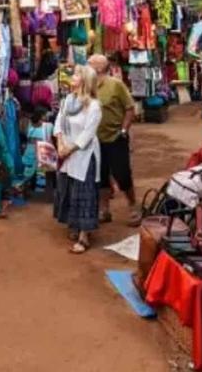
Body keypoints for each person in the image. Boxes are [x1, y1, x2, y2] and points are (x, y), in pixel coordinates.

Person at [54, 65, 103, 254]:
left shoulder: (94, 106)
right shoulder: (68, 100)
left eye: (76, 74)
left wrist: (69, 149)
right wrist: (60, 144)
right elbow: (59, 121)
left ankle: (84, 236)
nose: (72, 77)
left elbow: (88, 134)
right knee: (69, 188)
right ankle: (73, 225)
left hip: (84, 154)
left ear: (85, 80)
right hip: (67, 152)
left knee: (84, 192)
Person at [88, 54, 139, 226]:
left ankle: (133, 206)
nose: (87, 66)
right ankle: (104, 209)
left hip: (116, 136)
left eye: (90, 64)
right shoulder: (88, 86)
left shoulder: (115, 85)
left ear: (100, 68)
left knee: (122, 173)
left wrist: (124, 129)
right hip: (95, 139)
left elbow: (130, 108)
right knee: (100, 175)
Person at [21, 106, 54, 193]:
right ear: (41, 116)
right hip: (40, 153)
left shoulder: (29, 124)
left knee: (29, 175)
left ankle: (30, 192)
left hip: (31, 152)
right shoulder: (49, 126)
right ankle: (37, 195)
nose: (47, 115)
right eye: (45, 114)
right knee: (38, 176)